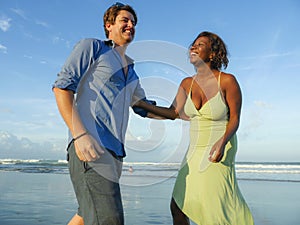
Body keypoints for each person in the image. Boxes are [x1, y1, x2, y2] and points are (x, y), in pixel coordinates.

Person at [135, 31, 254, 225]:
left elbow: (235, 119)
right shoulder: (186, 83)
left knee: (215, 208)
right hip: (194, 151)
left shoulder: (227, 81)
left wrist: (222, 143)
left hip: (221, 147)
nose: (193, 47)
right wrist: (142, 104)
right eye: (193, 44)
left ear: (212, 54)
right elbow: (173, 113)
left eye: (200, 45)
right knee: (178, 206)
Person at [52, 2, 155, 225]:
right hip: (91, 147)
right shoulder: (93, 47)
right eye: (125, 20)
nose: (131, 25)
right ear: (109, 25)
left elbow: (143, 107)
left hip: (115, 154)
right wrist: (80, 135)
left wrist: (181, 112)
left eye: (133, 22)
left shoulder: (132, 69)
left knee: (85, 214)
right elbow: (62, 88)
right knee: (110, 219)